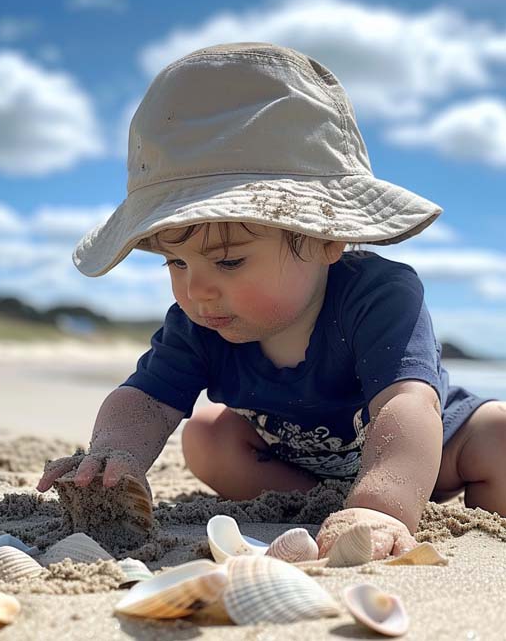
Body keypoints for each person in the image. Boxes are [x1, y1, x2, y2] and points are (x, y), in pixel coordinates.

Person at [37, 42, 504, 559]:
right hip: (295, 468)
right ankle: (326, 506)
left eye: (229, 261)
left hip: (427, 451)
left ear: (328, 237)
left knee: (499, 435)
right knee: (208, 437)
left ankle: (439, 519)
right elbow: (145, 400)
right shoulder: (200, 323)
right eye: (176, 263)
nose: (197, 289)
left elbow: (407, 404)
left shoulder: (380, 295)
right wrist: (114, 453)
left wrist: (382, 505)